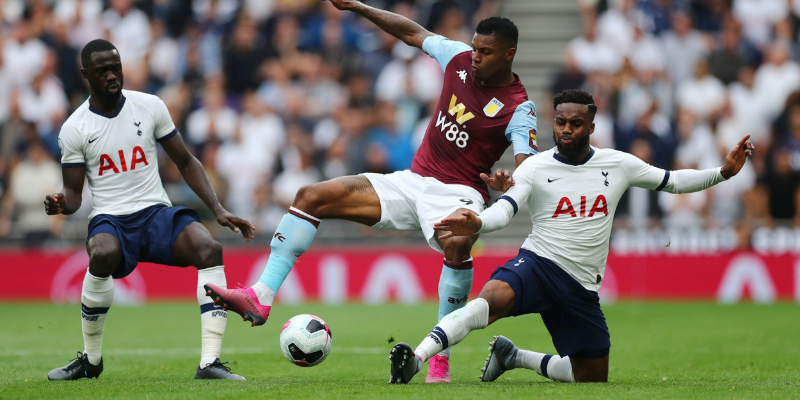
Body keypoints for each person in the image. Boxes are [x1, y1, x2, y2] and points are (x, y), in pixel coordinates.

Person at [204, 0, 538, 383]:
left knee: (459, 245)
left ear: (509, 54)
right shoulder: (458, 57)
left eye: (485, 52)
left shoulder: (518, 107)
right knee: (310, 196)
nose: (475, 56)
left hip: (459, 194)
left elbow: (528, 164)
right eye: (475, 48)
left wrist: (507, 181)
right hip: (412, 180)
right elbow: (412, 32)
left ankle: (439, 358)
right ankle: (260, 296)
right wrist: (357, 7)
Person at [386, 89, 754, 384]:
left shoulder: (618, 163)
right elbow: (507, 208)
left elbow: (672, 181)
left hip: (581, 286)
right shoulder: (535, 166)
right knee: (487, 302)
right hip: (539, 264)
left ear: (591, 126)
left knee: (592, 377)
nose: (566, 130)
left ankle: (514, 357)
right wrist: (479, 223)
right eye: (561, 122)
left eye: (576, 124)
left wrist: (722, 172)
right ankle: (416, 361)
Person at [44, 39, 255, 381]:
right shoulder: (75, 128)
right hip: (110, 218)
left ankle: (210, 363)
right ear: (85, 74)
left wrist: (216, 208)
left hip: (155, 212)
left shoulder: (150, 106)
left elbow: (186, 161)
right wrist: (61, 203)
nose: (112, 75)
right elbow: (74, 195)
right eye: (102, 71)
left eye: (116, 67)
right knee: (102, 252)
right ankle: (90, 360)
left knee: (209, 248)